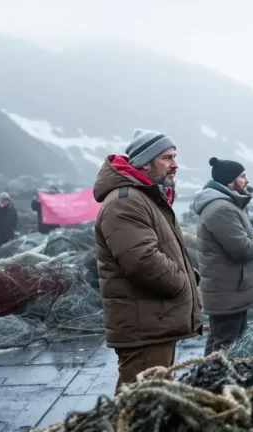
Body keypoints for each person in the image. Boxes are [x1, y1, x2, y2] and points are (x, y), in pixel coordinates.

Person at [93, 129, 202, 393]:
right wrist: (182, 284)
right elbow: (143, 261)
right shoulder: (126, 202)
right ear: (145, 162)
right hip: (144, 326)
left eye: (174, 157)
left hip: (155, 320)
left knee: (152, 400)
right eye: (167, 157)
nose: (175, 165)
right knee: (140, 401)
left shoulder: (144, 197)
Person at [193, 157, 253, 355]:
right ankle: (216, 384)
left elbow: (237, 240)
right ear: (230, 181)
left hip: (233, 289)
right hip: (228, 291)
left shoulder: (227, 205)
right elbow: (243, 249)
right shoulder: (221, 209)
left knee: (220, 342)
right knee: (227, 346)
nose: (247, 180)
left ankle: (207, 382)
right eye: (242, 176)